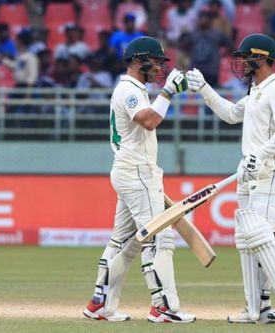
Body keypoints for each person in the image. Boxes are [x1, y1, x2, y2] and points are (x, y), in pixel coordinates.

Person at [186, 33, 275, 322]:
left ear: (263, 58)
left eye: (246, 57)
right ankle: (256, 308)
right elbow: (230, 114)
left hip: (270, 172)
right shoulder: (256, 90)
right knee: (247, 240)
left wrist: (261, 155)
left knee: (263, 237)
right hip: (248, 173)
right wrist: (204, 89)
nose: (241, 63)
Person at [83, 36, 196, 323]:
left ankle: (101, 303)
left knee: (122, 241)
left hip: (130, 171)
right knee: (159, 238)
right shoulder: (130, 90)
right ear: (137, 60)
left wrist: (166, 93)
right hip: (136, 172)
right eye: (155, 61)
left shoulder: (133, 88)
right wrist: (168, 93)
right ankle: (164, 306)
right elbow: (149, 120)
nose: (158, 67)